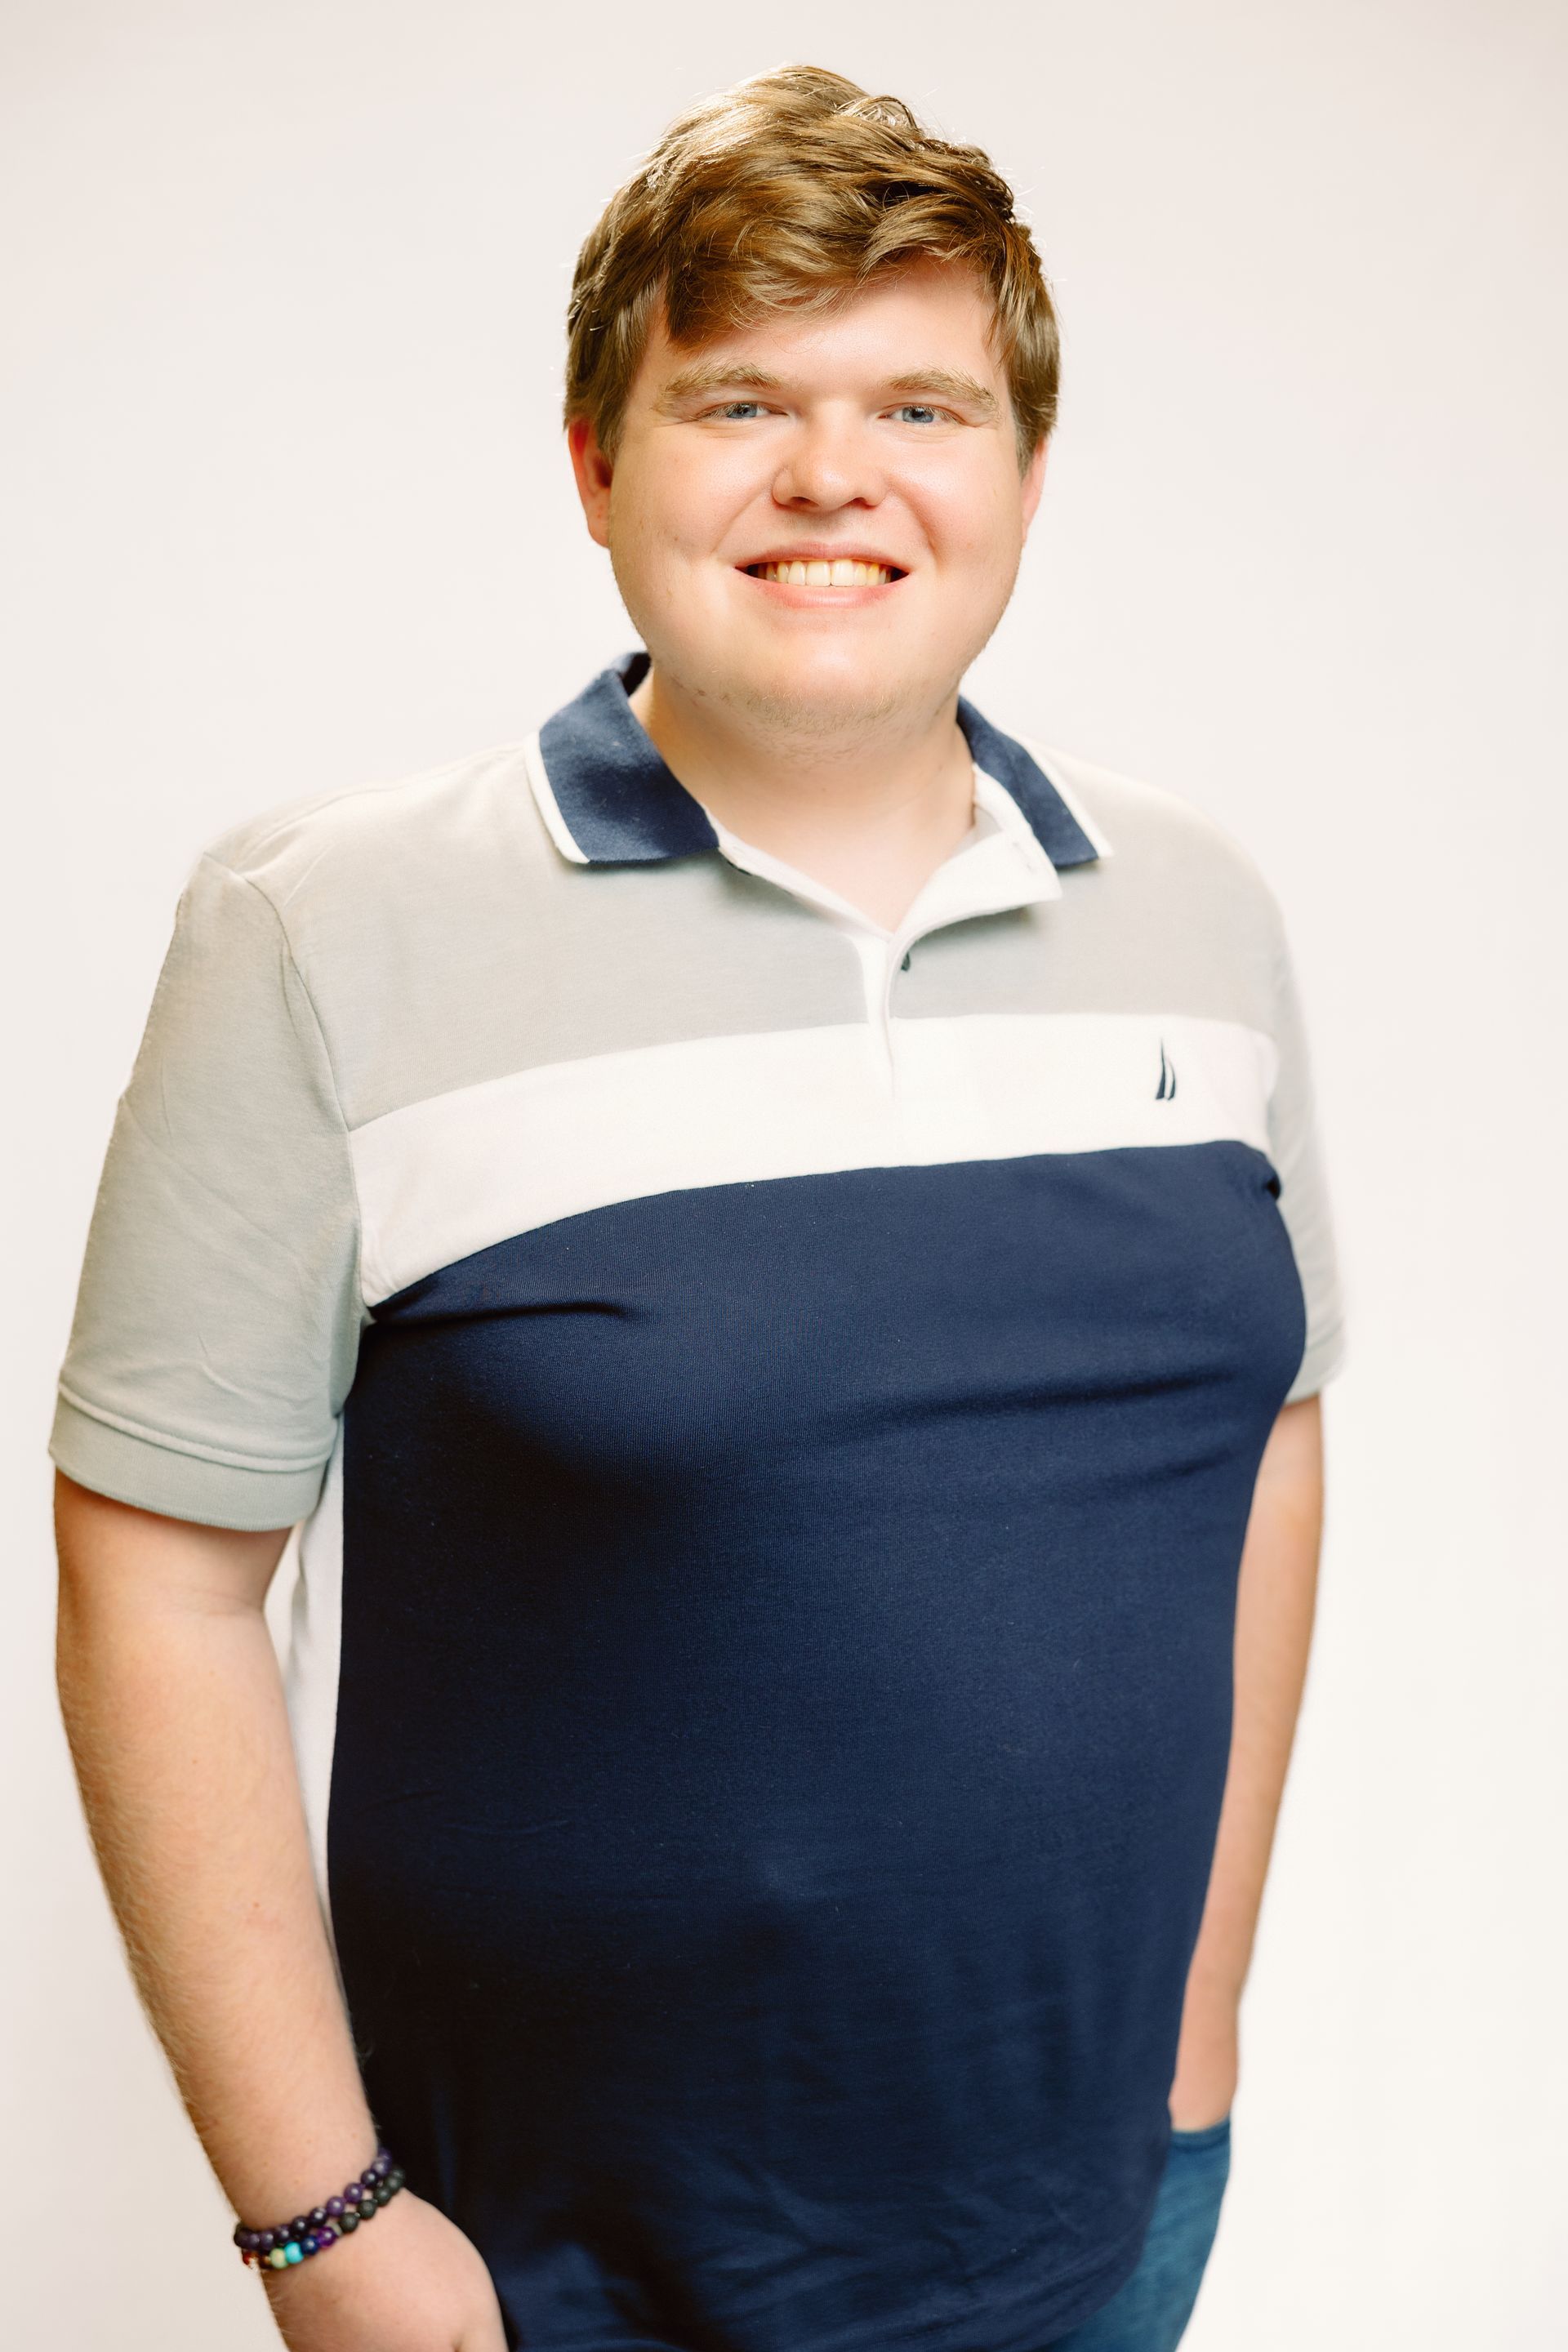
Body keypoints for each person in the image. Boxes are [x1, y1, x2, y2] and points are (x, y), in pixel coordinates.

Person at [51, 63, 1344, 2352]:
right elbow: (155, 1578)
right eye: (738, 395)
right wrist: (321, 2225)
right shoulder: (321, 926)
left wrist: (1198, 2043)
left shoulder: (1201, 914)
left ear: (1024, 477)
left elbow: (1261, 1437)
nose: (832, 477)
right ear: (597, 467)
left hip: (1097, 2229)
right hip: (555, 2272)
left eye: (921, 406)